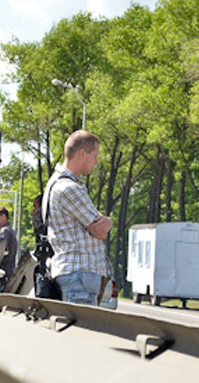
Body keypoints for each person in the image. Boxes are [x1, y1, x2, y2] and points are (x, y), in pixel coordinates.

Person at [42, 130, 112, 305]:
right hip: (80, 275)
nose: (96, 162)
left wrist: (106, 221)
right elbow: (101, 231)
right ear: (82, 154)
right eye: (94, 156)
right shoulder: (69, 188)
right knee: (82, 331)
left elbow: (98, 224)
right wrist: (108, 222)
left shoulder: (57, 183)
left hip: (76, 274)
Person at [0, 206, 18, 282]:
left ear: (4, 217)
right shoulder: (8, 230)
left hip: (4, 271)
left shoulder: (5, 231)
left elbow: (0, 251)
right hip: (7, 270)